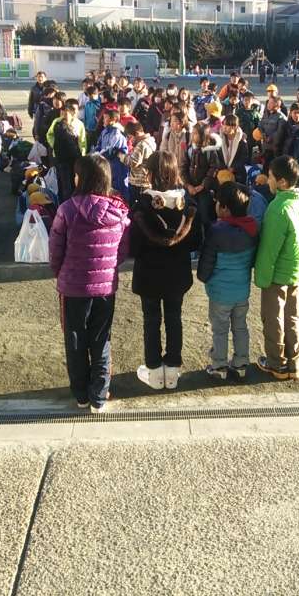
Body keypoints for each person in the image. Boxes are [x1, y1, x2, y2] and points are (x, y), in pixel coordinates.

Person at [49, 154, 130, 413]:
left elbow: (55, 250)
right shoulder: (119, 212)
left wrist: (60, 272)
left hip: (73, 287)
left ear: (81, 179)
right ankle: (99, 395)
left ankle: (81, 394)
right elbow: (122, 252)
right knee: (101, 338)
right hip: (105, 287)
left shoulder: (67, 209)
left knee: (75, 339)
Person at [131, 151, 201, 390]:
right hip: (177, 274)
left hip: (149, 274)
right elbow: (195, 242)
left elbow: (134, 246)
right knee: (174, 318)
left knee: (151, 320)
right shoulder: (187, 206)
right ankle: (172, 371)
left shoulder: (142, 205)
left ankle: (154, 372)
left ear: (151, 174)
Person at [254, 156, 299, 380]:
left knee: (273, 318)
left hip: (277, 273)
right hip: (297, 270)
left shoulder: (278, 208)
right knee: (292, 316)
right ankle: (294, 362)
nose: (268, 180)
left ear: (281, 181)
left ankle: (277, 364)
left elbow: (269, 249)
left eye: (271, 176)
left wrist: (262, 278)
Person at [197, 182, 258, 379]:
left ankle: (219, 365)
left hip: (220, 294)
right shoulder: (252, 228)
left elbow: (206, 263)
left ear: (224, 208)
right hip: (241, 292)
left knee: (220, 330)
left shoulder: (216, 231)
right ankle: (241, 363)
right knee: (240, 326)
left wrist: (203, 277)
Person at [182, 122, 221, 230]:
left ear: (203, 136)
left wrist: (203, 185)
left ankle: (207, 235)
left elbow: (214, 168)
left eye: (195, 133)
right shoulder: (189, 149)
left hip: (205, 190)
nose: (192, 135)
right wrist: (187, 185)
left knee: (204, 216)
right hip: (190, 189)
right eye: (192, 132)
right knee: (189, 215)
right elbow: (183, 168)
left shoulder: (210, 151)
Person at [50, 101, 84, 203]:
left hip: (75, 159)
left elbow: (82, 142)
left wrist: (82, 155)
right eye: (63, 112)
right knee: (63, 183)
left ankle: (71, 204)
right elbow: (49, 135)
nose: (64, 115)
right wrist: (53, 146)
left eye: (67, 113)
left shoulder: (79, 124)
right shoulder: (57, 124)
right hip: (61, 158)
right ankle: (64, 205)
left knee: (74, 183)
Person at [95, 109, 128, 201]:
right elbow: (99, 145)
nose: (103, 120)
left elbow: (110, 150)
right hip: (107, 165)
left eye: (105, 118)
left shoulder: (118, 133)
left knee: (118, 190)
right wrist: (94, 153)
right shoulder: (105, 131)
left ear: (114, 120)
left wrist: (97, 155)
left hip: (117, 166)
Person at [123, 122, 157, 206]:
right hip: (146, 182)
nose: (129, 140)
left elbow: (133, 162)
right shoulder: (151, 142)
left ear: (137, 133)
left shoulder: (141, 145)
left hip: (138, 183)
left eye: (130, 137)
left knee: (134, 208)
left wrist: (122, 157)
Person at [217, 114, 249, 184]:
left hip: (238, 173)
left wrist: (233, 168)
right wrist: (224, 168)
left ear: (235, 127)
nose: (224, 127)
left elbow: (244, 157)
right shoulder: (220, 139)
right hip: (222, 172)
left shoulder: (242, 141)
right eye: (223, 124)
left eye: (227, 125)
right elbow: (217, 156)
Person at [259, 96, 287, 173]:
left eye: (271, 103)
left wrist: (270, 138)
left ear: (277, 105)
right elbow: (260, 124)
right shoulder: (266, 114)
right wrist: (263, 133)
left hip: (275, 150)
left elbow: (279, 133)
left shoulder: (281, 117)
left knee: (272, 171)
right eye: (268, 102)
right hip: (265, 148)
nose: (268, 104)